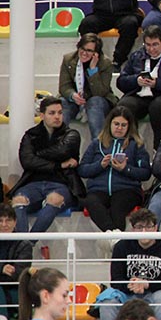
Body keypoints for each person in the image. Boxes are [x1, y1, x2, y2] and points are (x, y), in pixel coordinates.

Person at [93, 208, 161, 320]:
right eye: (139, 227)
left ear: (156, 228)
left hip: (153, 292)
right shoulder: (121, 246)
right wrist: (132, 284)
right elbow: (116, 280)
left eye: (148, 227)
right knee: (107, 302)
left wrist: (147, 284)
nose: (144, 231)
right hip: (127, 293)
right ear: (133, 229)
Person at [78, 106, 151, 255]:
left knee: (118, 208)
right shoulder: (96, 144)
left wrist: (125, 168)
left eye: (123, 125)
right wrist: (100, 165)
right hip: (98, 189)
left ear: (129, 127)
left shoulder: (136, 145)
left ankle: (114, 244)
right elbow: (83, 170)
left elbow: (145, 173)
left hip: (127, 189)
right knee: (91, 201)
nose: (119, 128)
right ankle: (117, 240)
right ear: (109, 124)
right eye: (116, 124)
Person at [9, 96, 83, 235]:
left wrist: (37, 154)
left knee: (54, 199)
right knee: (18, 200)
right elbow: (27, 162)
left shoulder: (72, 134)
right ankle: (22, 243)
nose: (57, 117)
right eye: (52, 113)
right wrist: (59, 165)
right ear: (42, 115)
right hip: (34, 182)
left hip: (62, 182)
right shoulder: (30, 135)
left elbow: (62, 151)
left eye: (60, 112)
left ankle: (27, 243)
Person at [116, 25, 161, 149]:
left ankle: (159, 148)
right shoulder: (136, 56)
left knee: (158, 106)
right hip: (140, 95)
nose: (151, 49)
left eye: (155, 44)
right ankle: (131, 147)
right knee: (125, 106)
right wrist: (136, 80)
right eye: (148, 45)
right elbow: (121, 81)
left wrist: (158, 83)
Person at [58, 33, 117, 139]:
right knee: (62, 102)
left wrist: (93, 70)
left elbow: (101, 92)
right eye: (82, 49)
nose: (84, 53)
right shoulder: (68, 59)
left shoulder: (105, 63)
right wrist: (72, 95)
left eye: (89, 51)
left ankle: (98, 144)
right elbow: (64, 86)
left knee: (95, 102)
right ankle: (58, 141)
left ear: (96, 53)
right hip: (75, 101)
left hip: (98, 101)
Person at [0, 206, 31, 320]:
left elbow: (19, 275)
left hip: (15, 291)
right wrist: (2, 268)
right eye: (0, 221)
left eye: (8, 220)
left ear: (15, 222)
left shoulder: (24, 244)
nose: (4, 224)